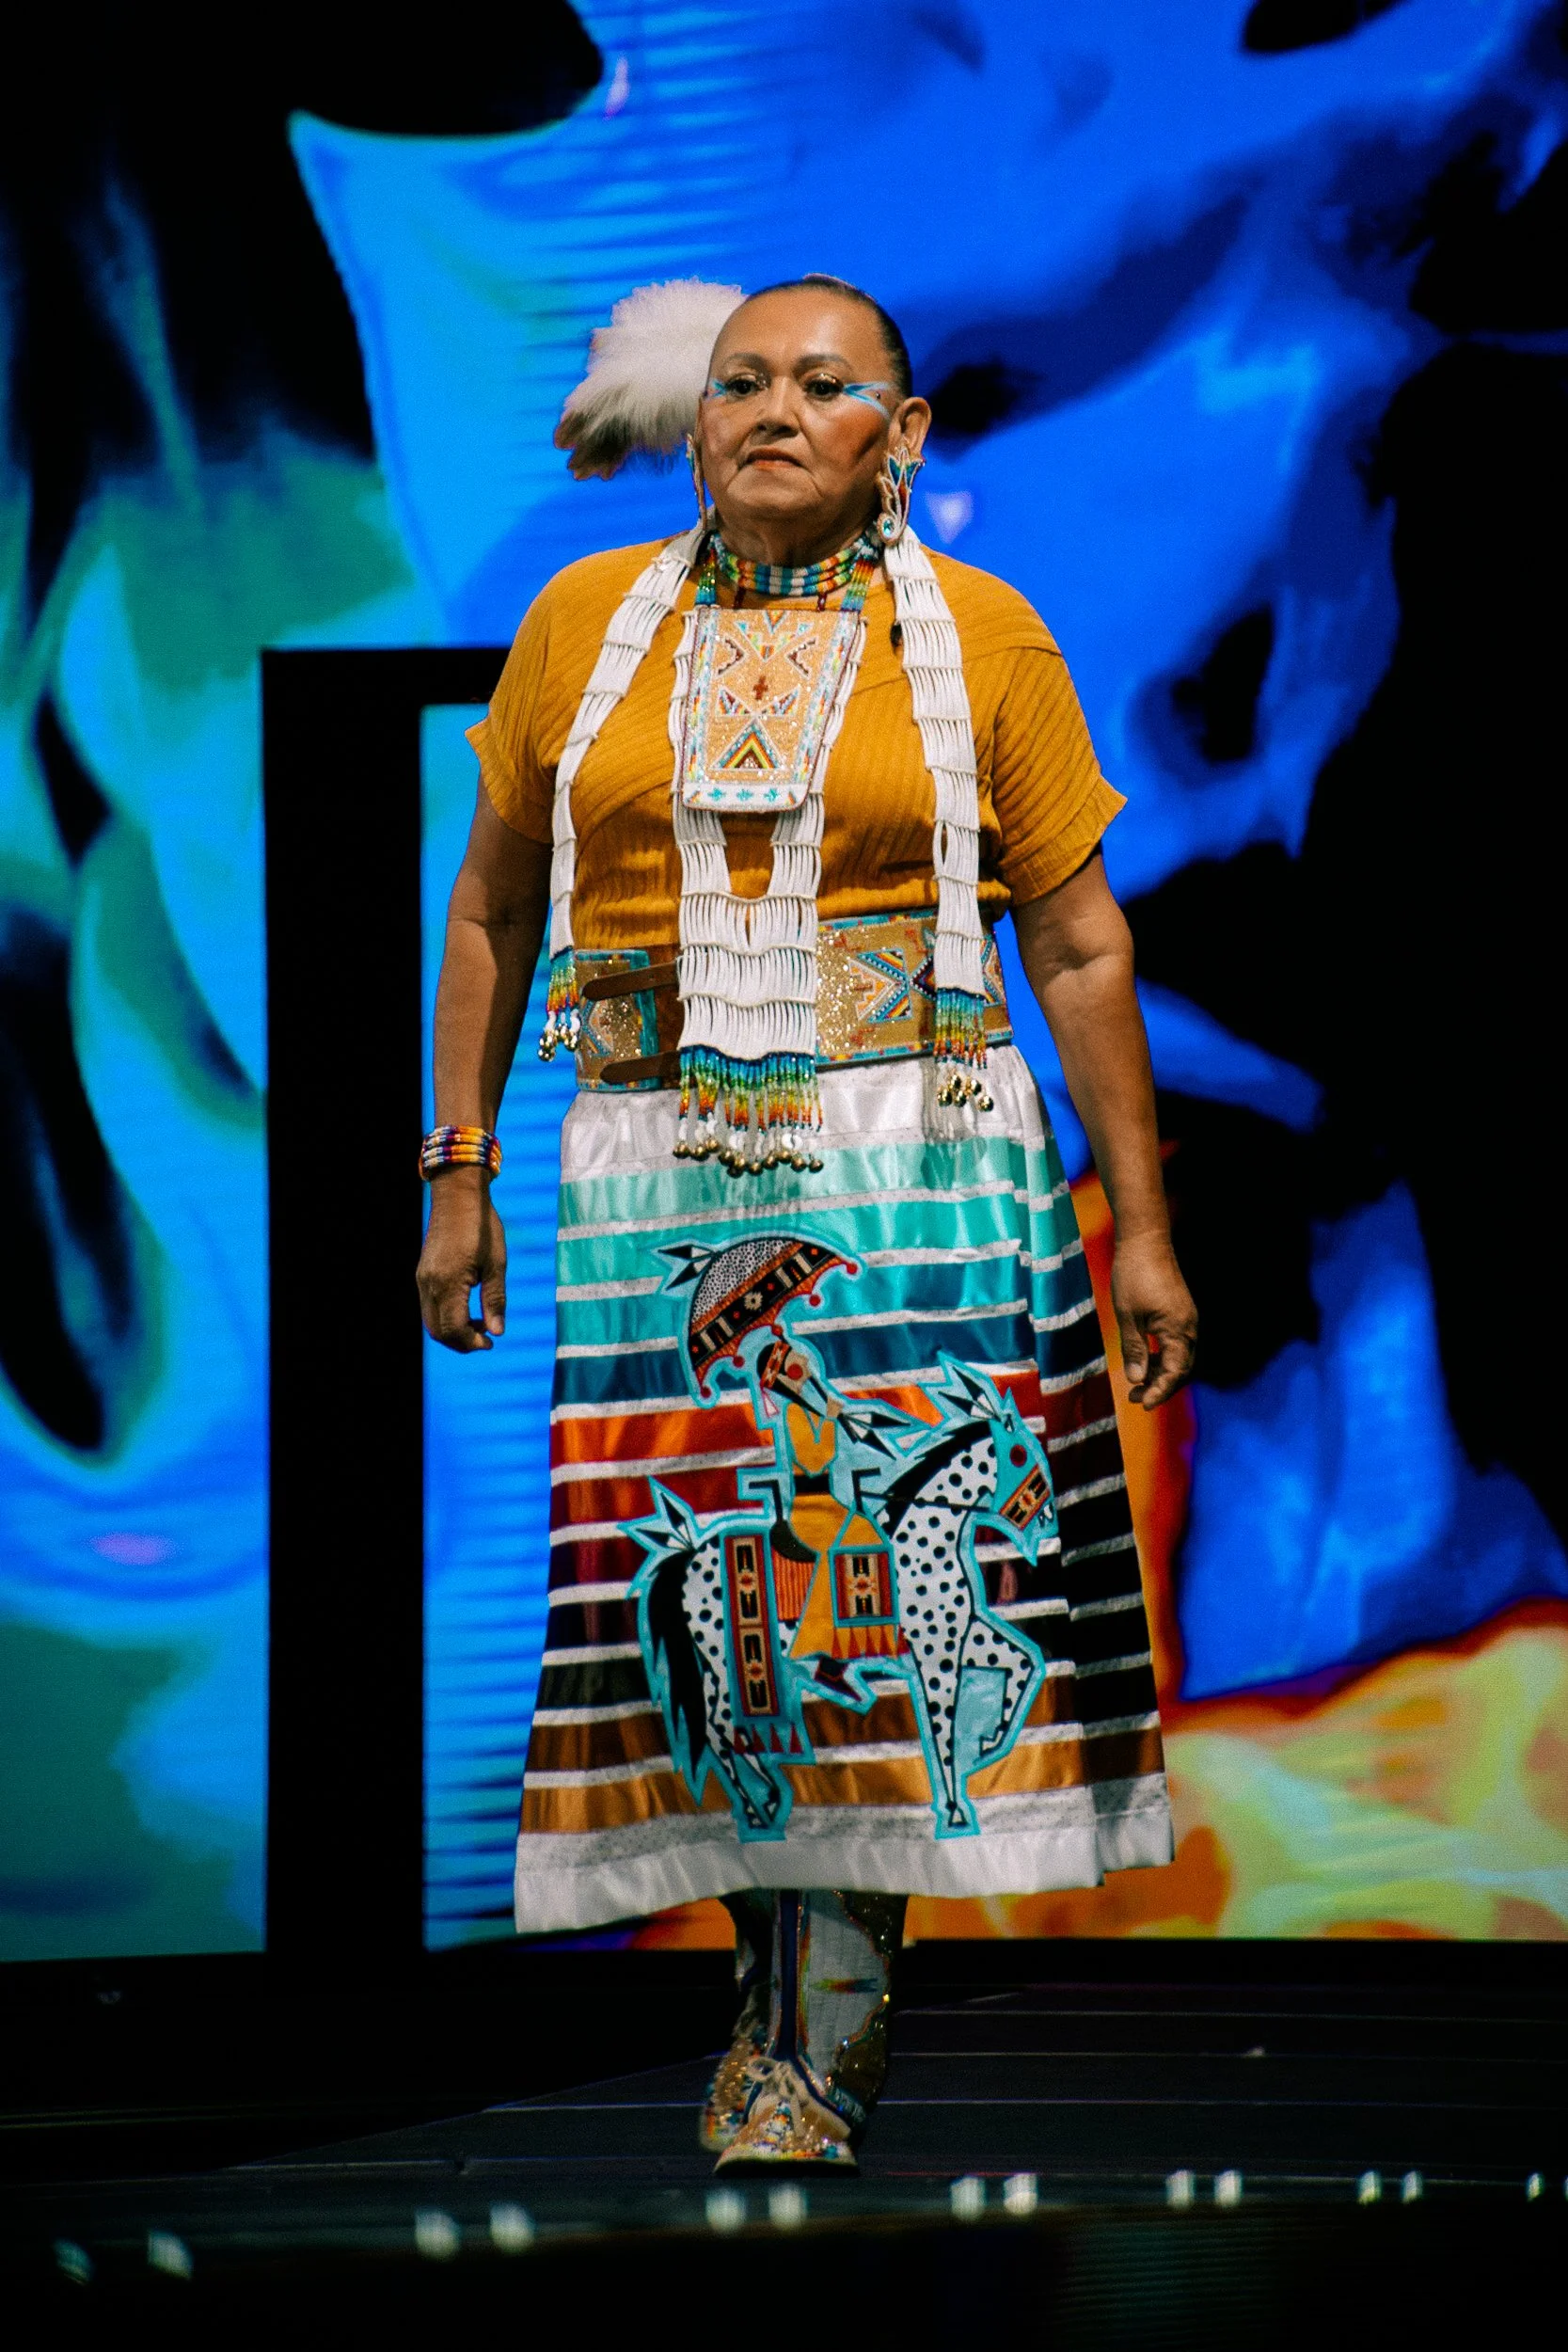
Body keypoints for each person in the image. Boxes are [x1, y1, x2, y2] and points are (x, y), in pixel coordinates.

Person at [416, 274, 1197, 2171]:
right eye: (742, 381)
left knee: (861, 1568)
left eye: (824, 384)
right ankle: (766, 2009)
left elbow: (1077, 941)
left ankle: (812, 2036)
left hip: (911, 1160)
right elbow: (491, 916)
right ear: (692, 423)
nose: (775, 408)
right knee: (698, 1598)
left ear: (901, 436)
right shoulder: (582, 628)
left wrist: (1147, 1231)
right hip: (651, 1173)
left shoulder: (982, 637)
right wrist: (456, 1168)